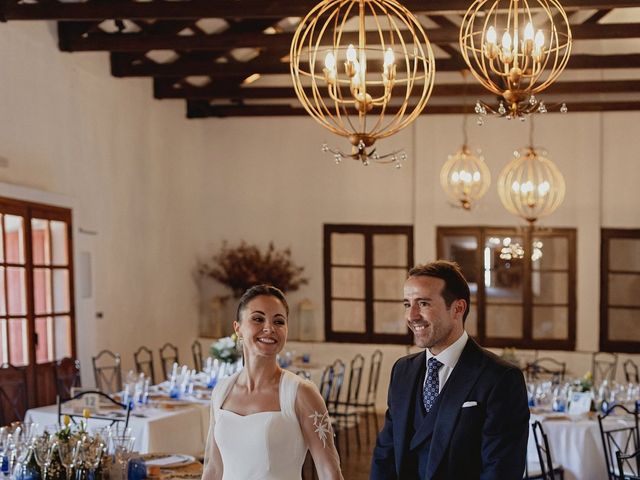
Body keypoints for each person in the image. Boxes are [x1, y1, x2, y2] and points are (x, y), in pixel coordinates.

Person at [370, 260, 529, 480]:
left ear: (458, 308)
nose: (412, 315)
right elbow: (385, 455)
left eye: (423, 303)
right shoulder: (402, 371)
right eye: (407, 304)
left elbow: (500, 471)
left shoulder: (501, 379)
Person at [202, 284, 344, 480]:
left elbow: (330, 472)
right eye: (258, 319)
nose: (269, 328)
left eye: (278, 321)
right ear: (238, 328)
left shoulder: (301, 393)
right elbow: (213, 469)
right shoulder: (221, 391)